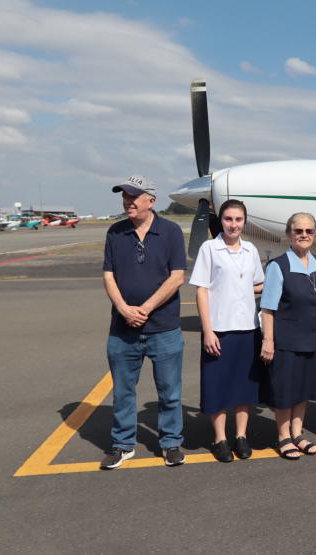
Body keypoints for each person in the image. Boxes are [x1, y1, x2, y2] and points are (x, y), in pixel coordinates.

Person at [100, 175, 187, 470]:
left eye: (134, 196)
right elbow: (108, 275)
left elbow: (177, 277)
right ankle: (123, 444)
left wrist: (146, 308)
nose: (128, 201)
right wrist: (124, 309)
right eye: (124, 196)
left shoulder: (171, 231)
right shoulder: (115, 233)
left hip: (164, 328)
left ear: (151, 200)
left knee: (170, 392)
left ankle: (171, 442)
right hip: (122, 330)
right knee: (123, 391)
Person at [190, 199, 265, 463]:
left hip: (247, 328)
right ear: (221, 221)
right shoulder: (210, 249)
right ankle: (220, 438)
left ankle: (241, 436)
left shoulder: (250, 250)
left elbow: (257, 284)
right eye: (228, 219)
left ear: (245, 222)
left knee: (245, 387)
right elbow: (201, 289)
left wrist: (283, 284)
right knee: (217, 386)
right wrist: (207, 330)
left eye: (238, 219)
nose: (233, 225)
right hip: (219, 329)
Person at [259, 212, 316, 460]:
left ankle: (298, 433)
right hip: (286, 340)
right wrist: (268, 340)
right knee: (285, 391)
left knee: (304, 389)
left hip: (313, 338)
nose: (304, 235)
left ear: (315, 235)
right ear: (289, 234)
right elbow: (268, 308)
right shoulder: (279, 265)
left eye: (309, 231)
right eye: (298, 231)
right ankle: (283, 437)